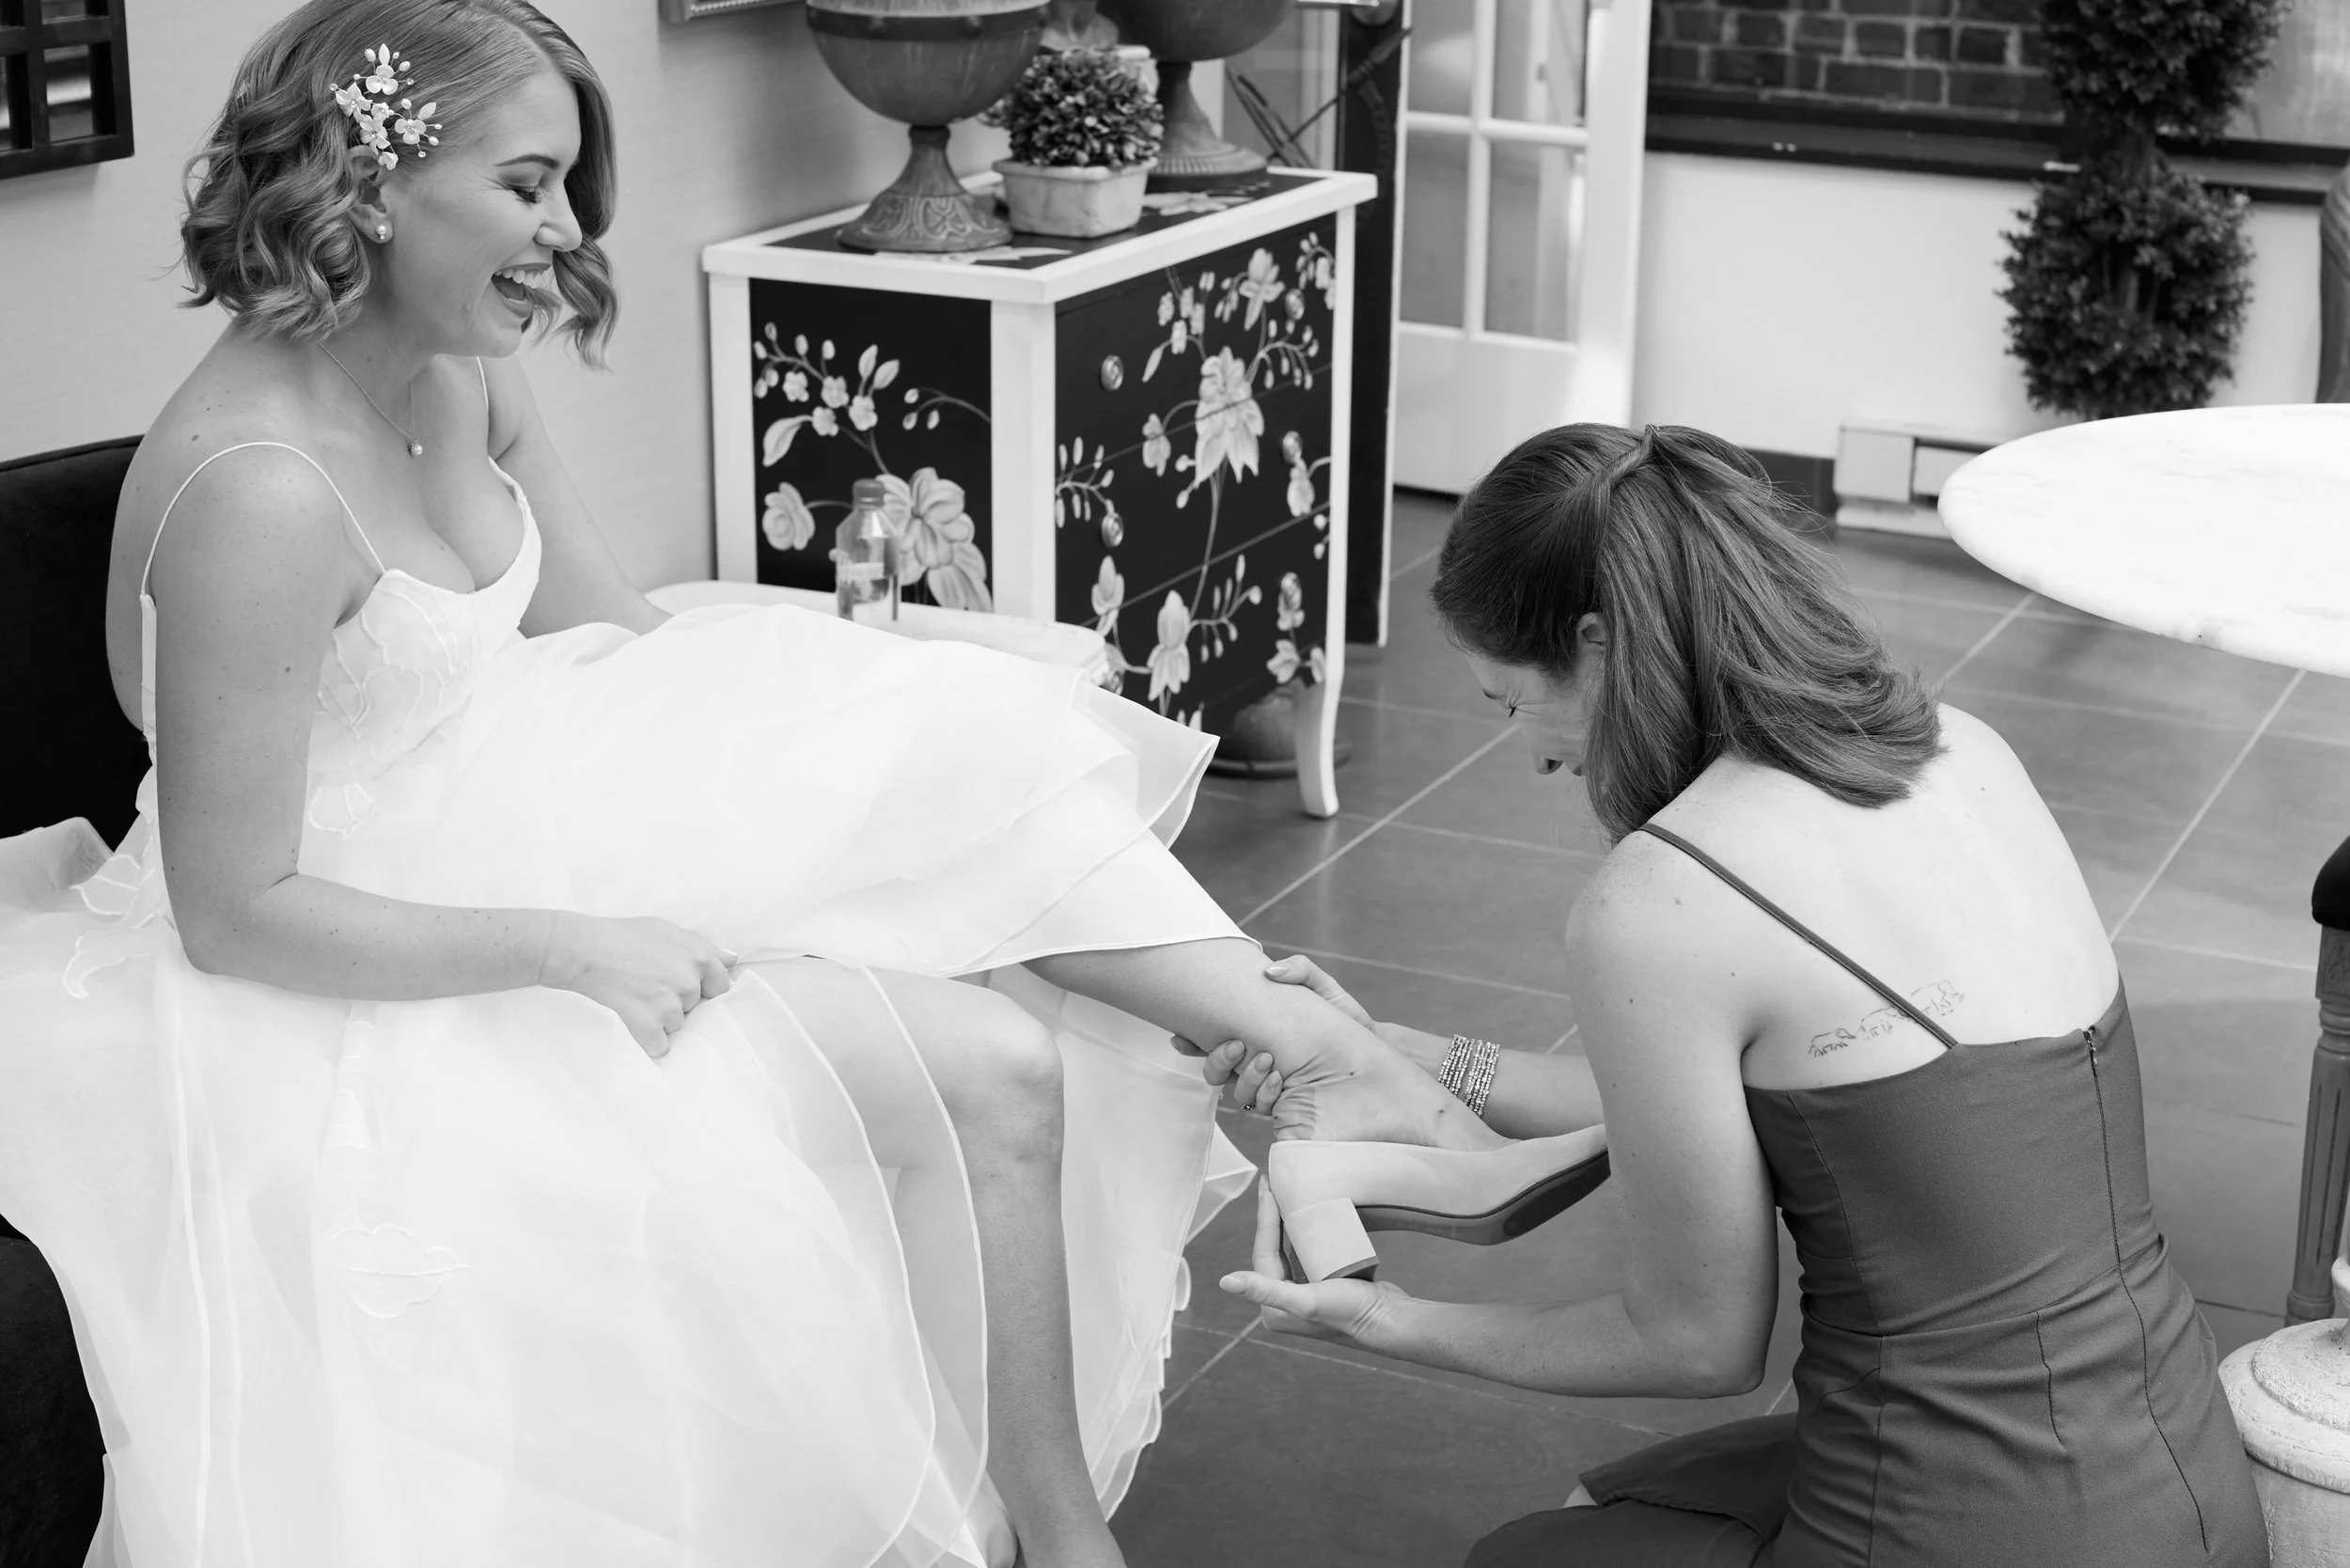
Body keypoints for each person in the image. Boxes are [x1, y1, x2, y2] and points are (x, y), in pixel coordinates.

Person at [0, 4, 1475, 1564]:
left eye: (570, 184)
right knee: (991, 1061)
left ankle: (1115, 1416)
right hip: (343, 972)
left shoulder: (460, 376)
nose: (567, 233)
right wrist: (576, 942)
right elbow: (238, 914)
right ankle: (1306, 1102)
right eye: (528, 184)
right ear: (366, 184)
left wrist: (794, 781)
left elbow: (617, 643)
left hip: (521, 815)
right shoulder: (260, 494)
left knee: (940, 759)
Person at [1202, 422, 2271, 1567]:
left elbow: (1695, 1345)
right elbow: (1826, 1114)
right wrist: (1402, 1049)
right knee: (1605, 1518)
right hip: (2174, 1472)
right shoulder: (1965, 749)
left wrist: (1391, 1321)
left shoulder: (1662, 901)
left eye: (1509, 701)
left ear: (1601, 645)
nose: (1525, 752)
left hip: (1965, 1512)